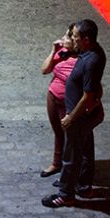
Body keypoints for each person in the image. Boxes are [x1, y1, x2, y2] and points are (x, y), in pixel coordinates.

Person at [42, 18, 106, 208]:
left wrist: (71, 117)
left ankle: (66, 194)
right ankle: (83, 187)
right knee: (85, 150)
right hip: (81, 114)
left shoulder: (92, 61)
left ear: (86, 39)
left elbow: (87, 95)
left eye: (75, 37)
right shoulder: (89, 51)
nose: (73, 40)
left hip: (78, 116)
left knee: (72, 155)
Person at [39, 23, 78, 178]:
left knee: (71, 136)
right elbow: (45, 70)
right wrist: (53, 51)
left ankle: (71, 169)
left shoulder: (82, 60)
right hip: (53, 96)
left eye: (67, 36)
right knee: (58, 131)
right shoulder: (62, 52)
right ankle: (56, 163)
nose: (63, 38)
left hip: (69, 103)